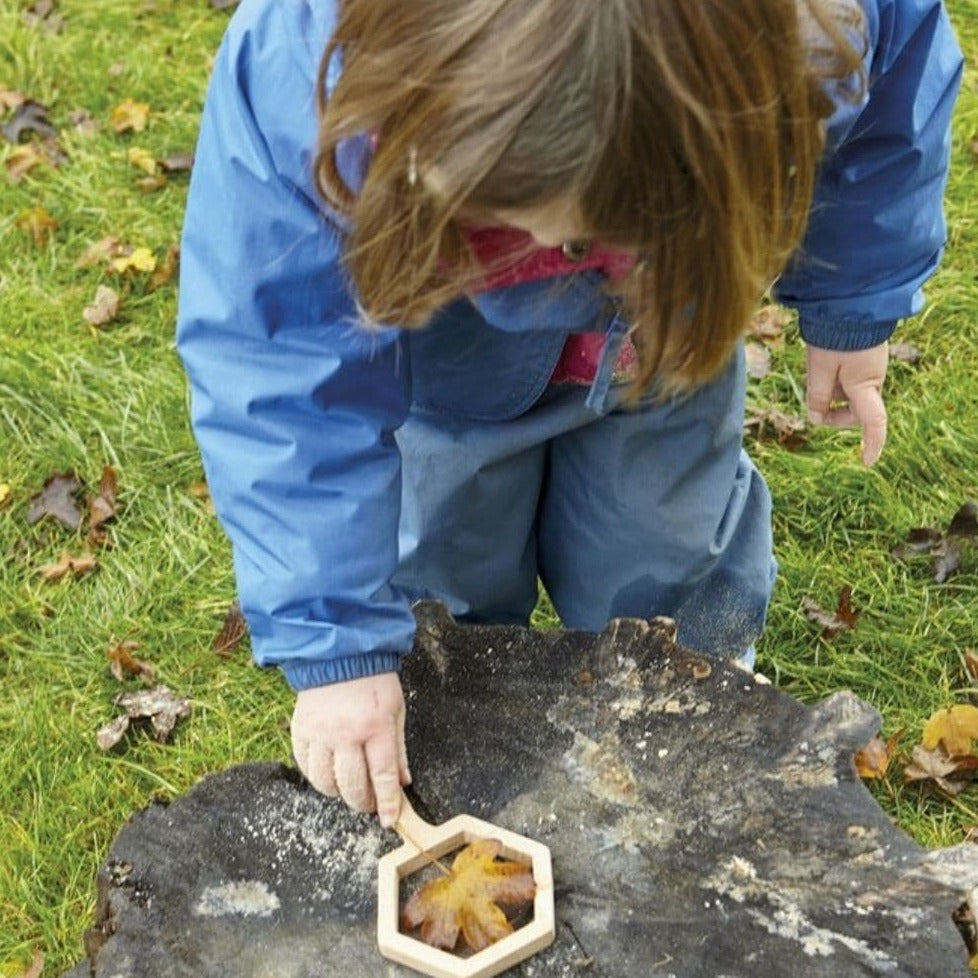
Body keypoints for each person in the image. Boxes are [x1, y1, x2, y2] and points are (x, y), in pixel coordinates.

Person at [176, 0, 962, 828]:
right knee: (448, 579)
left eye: (604, 227)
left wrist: (856, 294)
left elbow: (893, 104)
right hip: (444, 371)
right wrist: (335, 643)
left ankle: (695, 717)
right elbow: (281, 361)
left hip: (665, 343)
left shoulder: (811, 34)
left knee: (667, 548)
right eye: (509, 220)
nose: (556, 254)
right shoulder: (310, 78)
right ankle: (449, 734)